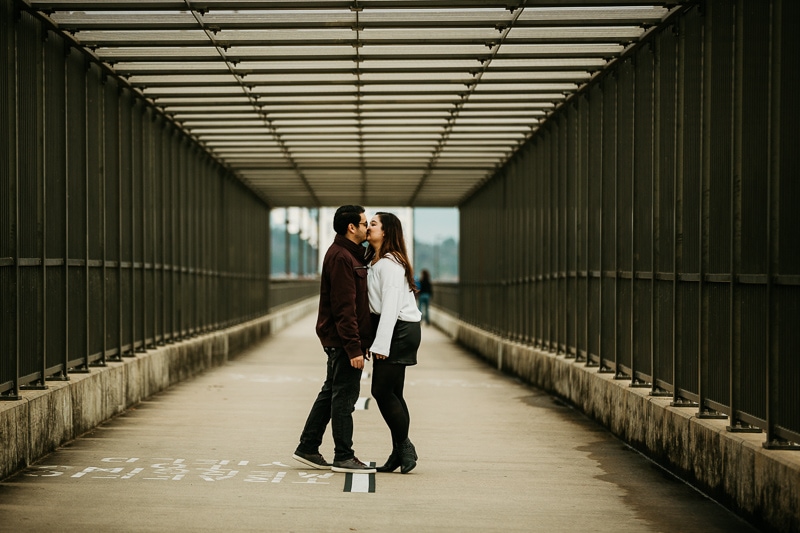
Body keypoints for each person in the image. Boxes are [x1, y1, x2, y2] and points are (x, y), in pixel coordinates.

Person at [292, 205, 376, 474]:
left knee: (330, 392)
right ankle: (344, 455)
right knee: (344, 398)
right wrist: (354, 347)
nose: (367, 227)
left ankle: (308, 446)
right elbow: (344, 307)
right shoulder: (342, 258)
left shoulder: (349, 254)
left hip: (340, 340)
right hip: (343, 342)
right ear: (351, 227)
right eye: (364, 223)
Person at [366, 212, 423, 474]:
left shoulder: (390, 264)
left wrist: (380, 344)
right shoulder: (377, 260)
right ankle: (398, 453)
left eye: (373, 224)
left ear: (387, 232)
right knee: (394, 394)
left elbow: (389, 307)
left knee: (381, 391)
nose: (368, 227)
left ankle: (404, 446)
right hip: (396, 327)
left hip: (398, 328)